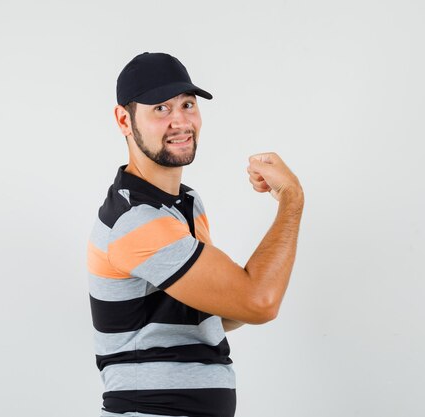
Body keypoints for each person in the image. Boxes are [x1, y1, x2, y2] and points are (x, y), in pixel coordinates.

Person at [87, 52, 304, 417]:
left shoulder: (184, 202)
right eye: (161, 109)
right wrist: (291, 198)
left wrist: (239, 294)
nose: (180, 121)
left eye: (187, 105)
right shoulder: (135, 219)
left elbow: (220, 310)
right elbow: (258, 302)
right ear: (124, 119)